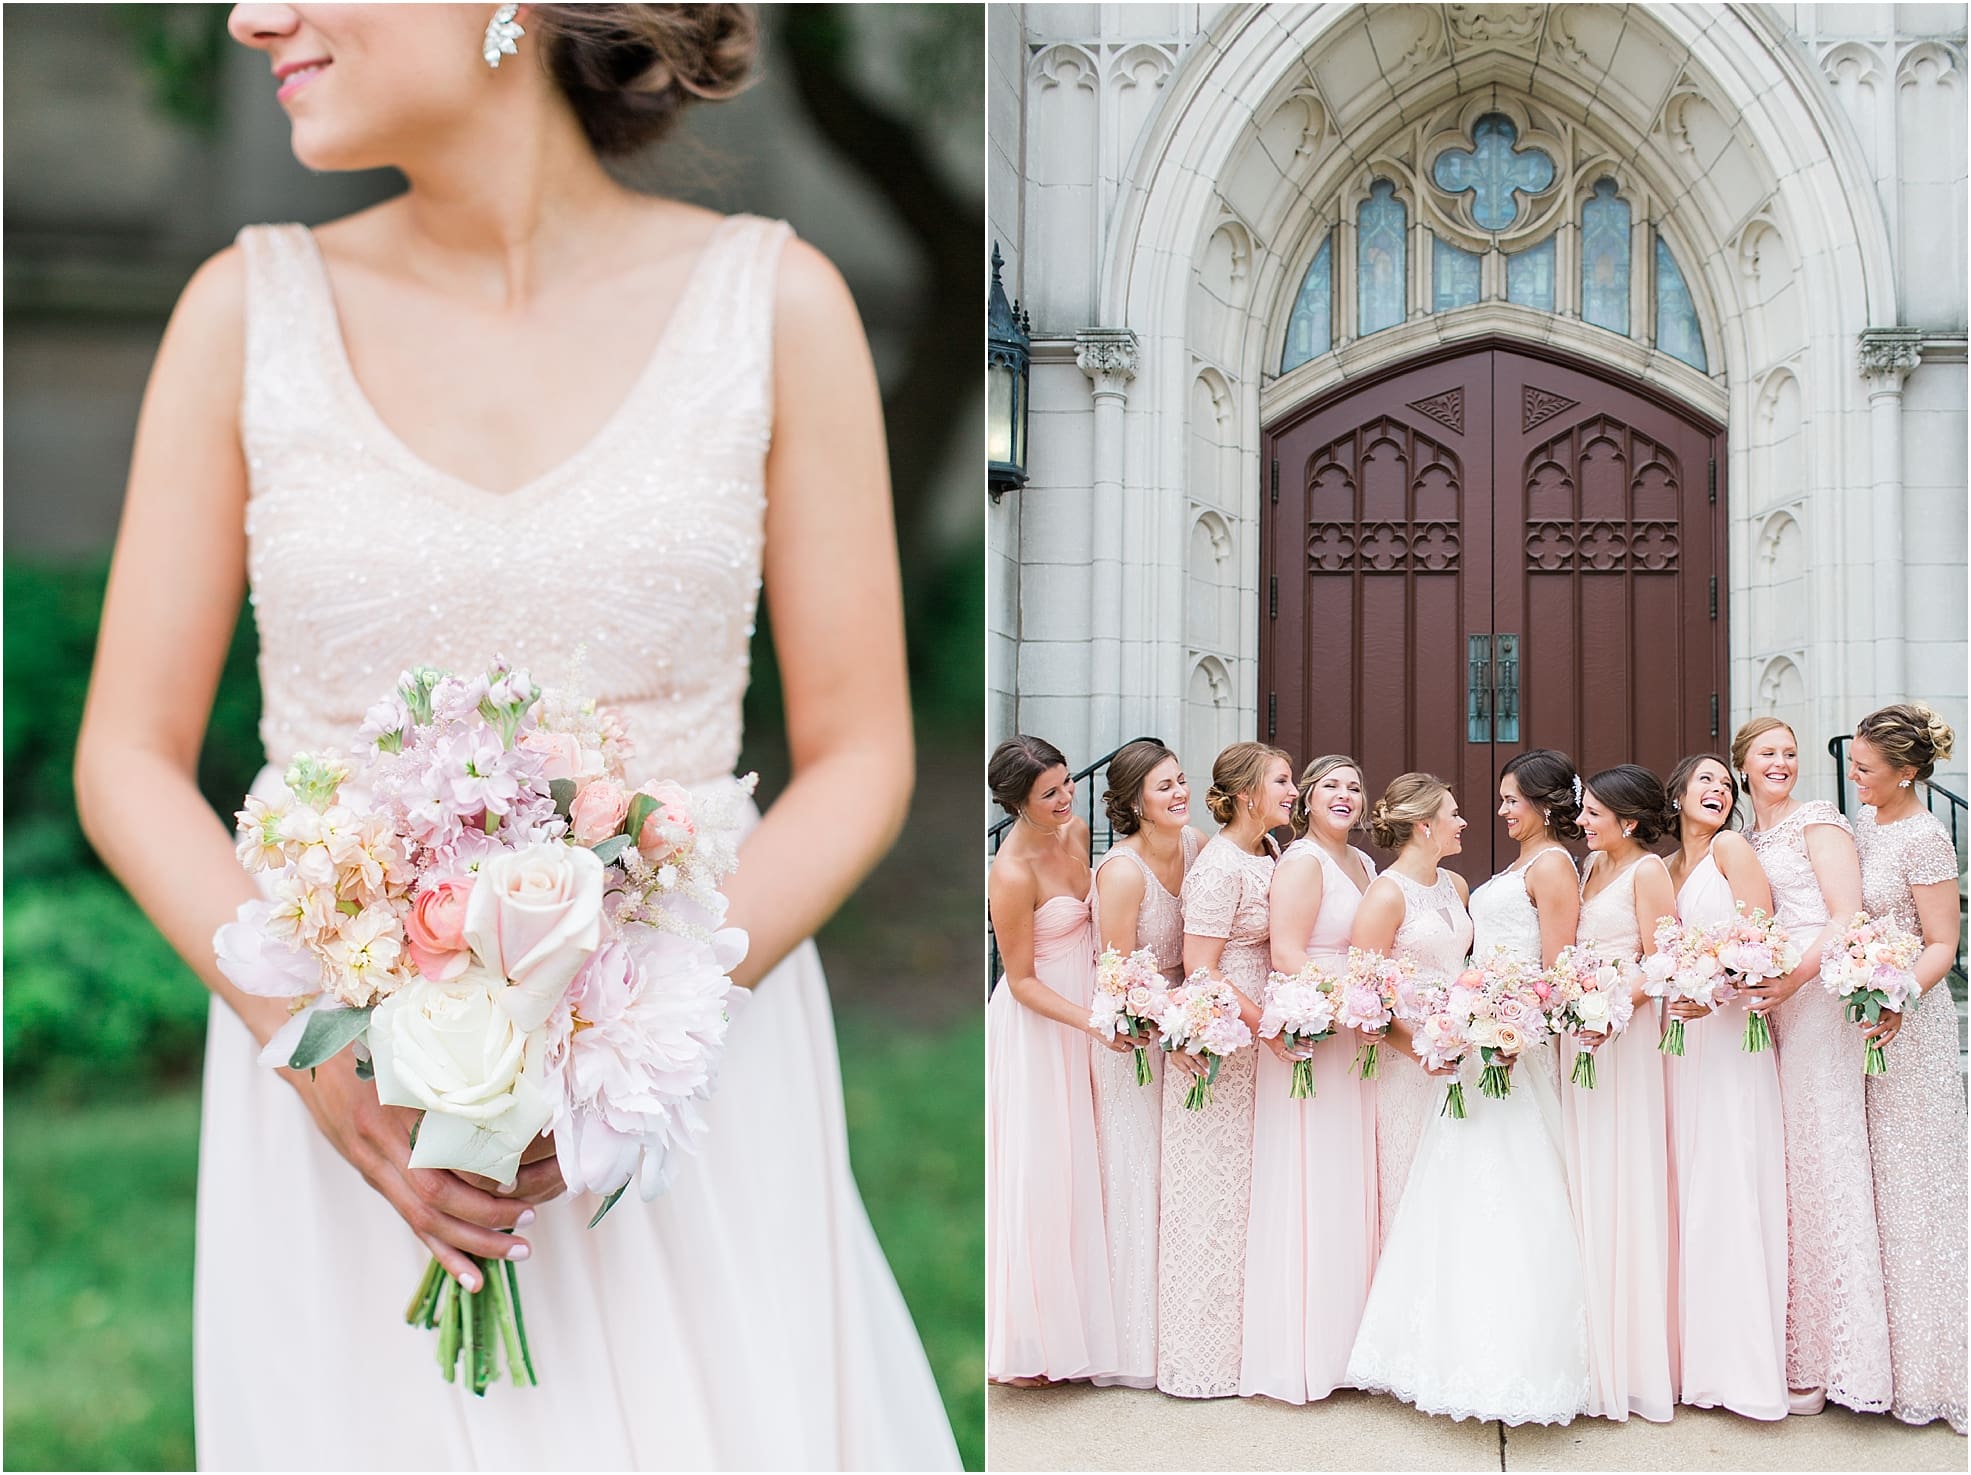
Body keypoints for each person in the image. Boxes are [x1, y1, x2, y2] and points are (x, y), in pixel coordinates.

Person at [71, 6, 957, 1467]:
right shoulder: (244, 312)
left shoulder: (773, 306)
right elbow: (125, 758)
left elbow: (862, 749)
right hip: (353, 1101)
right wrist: (319, 1052)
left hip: (681, 1094)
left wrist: (630, 1024)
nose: (250, 16)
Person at [1345, 767, 1590, 1426]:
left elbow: (1532, 966)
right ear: (1424, 824)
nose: (1473, 817)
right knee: (1456, 1193)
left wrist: (1499, 1022)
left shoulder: (1465, 883)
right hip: (1444, 1054)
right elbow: (1362, 989)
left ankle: (1526, 1344)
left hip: (1494, 1046)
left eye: (1508, 798)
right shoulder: (1391, 893)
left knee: (1515, 1188)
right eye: (1454, 812)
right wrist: (1433, 1043)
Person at [1735, 716, 1892, 1417]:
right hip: (1775, 1003)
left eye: (1789, 752)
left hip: (1817, 1001)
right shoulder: (1746, 837)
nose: (1781, 762)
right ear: (1740, 763)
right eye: (1767, 752)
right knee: (1791, 1168)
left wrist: (1792, 979)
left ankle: (1846, 1360)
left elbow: (1844, 916)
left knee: (1826, 1162)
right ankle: (1797, 1346)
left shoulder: (1819, 821)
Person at [1239, 754, 1378, 1405]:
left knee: (1350, 1182)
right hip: (1317, 1030)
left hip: (1354, 1033)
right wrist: (1351, 996)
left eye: (1353, 786)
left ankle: (1354, 1341)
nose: (1343, 794)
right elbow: (1288, 952)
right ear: (1307, 799)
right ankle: (1305, 1350)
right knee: (1313, 1182)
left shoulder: (1364, 866)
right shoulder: (1301, 862)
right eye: (1330, 785)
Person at [1157, 741, 1294, 1399]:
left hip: (1261, 1031)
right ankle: (1200, 1358)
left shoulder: (1266, 852)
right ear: (1246, 794)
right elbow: (1201, 966)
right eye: (1282, 780)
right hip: (1227, 1036)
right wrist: (1266, 1021)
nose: (1291, 790)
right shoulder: (1216, 869)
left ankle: (1252, 1348)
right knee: (1214, 1198)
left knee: (1250, 1198)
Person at [985, 735, 1120, 1386]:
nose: (1068, 797)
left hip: (1089, 1002)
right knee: (1043, 1167)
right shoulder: (1009, 871)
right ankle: (1034, 1338)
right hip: (1043, 1022)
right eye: (1050, 792)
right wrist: (1092, 1021)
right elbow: (1020, 981)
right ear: (1015, 801)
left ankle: (1086, 1322)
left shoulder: (1078, 830)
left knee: (1088, 1159)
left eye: (1067, 782)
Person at [1846, 704, 1967, 1434]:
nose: (1853, 776)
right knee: (1878, 1185)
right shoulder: (1868, 823)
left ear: (1906, 774)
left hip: (1909, 1026)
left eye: (1864, 769)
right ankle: (1879, 1361)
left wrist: (1898, 998)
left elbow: (1941, 943)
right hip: (1866, 1018)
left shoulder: (1925, 838)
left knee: (1916, 1186)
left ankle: (1934, 1367)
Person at [1663, 753, 1787, 1421]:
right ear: (1677, 791)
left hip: (1730, 1037)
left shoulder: (1731, 848)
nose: (1716, 789)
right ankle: (1690, 1359)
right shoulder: (1667, 867)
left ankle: (1737, 1366)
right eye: (1702, 779)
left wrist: (1712, 989)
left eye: (1723, 781)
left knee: (1727, 1184)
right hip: (1681, 1046)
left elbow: (1758, 937)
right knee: (1688, 1188)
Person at [1564, 764, 1678, 1423]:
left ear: (1628, 821)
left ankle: (1631, 1359)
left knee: (1622, 1176)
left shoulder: (1646, 872)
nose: (1581, 820)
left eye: (1593, 813)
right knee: (1587, 1176)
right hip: (1581, 1033)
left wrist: (1608, 1009)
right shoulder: (1587, 868)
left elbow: (1659, 958)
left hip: (1621, 1036)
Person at [1088, 739, 1200, 1389]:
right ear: (1134, 802)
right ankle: (1132, 1351)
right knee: (1136, 1181)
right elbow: (1117, 976)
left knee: (1179, 1181)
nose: (1179, 793)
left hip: (1188, 1027)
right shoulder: (1122, 872)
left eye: (1181, 780)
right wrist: (1170, 1029)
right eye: (1164, 787)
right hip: (1132, 1041)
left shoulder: (1195, 845)